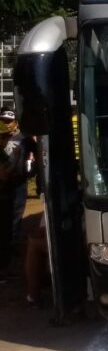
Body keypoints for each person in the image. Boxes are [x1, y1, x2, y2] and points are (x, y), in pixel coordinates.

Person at [0, 106, 33, 283]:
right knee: (5, 224)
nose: (7, 125)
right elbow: (4, 174)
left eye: (9, 121)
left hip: (18, 185)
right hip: (5, 186)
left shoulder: (24, 138)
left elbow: (35, 151)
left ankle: (10, 253)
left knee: (14, 219)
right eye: (3, 121)